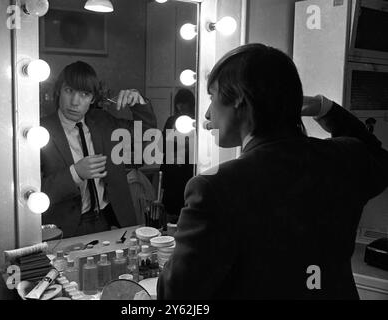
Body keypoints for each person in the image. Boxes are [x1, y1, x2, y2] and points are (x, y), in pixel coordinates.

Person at [157, 44, 388, 299]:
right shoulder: (344, 157)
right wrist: (325, 108)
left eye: (212, 96)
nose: (208, 112)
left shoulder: (214, 189)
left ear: (238, 98)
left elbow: (176, 297)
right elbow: (379, 157)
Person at [41, 61, 157, 238]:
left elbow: (147, 134)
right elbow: (33, 193)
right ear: (59, 91)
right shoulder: (40, 131)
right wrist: (74, 173)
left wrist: (139, 104)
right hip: (64, 227)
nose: (74, 102)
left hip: (109, 219)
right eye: (69, 91)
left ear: (93, 98)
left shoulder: (103, 121)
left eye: (84, 94)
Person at [160, 89, 196, 223]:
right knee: (170, 210)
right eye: (178, 104)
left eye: (183, 103)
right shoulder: (172, 121)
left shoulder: (195, 123)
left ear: (191, 104)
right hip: (171, 173)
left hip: (188, 172)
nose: (180, 107)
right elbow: (163, 145)